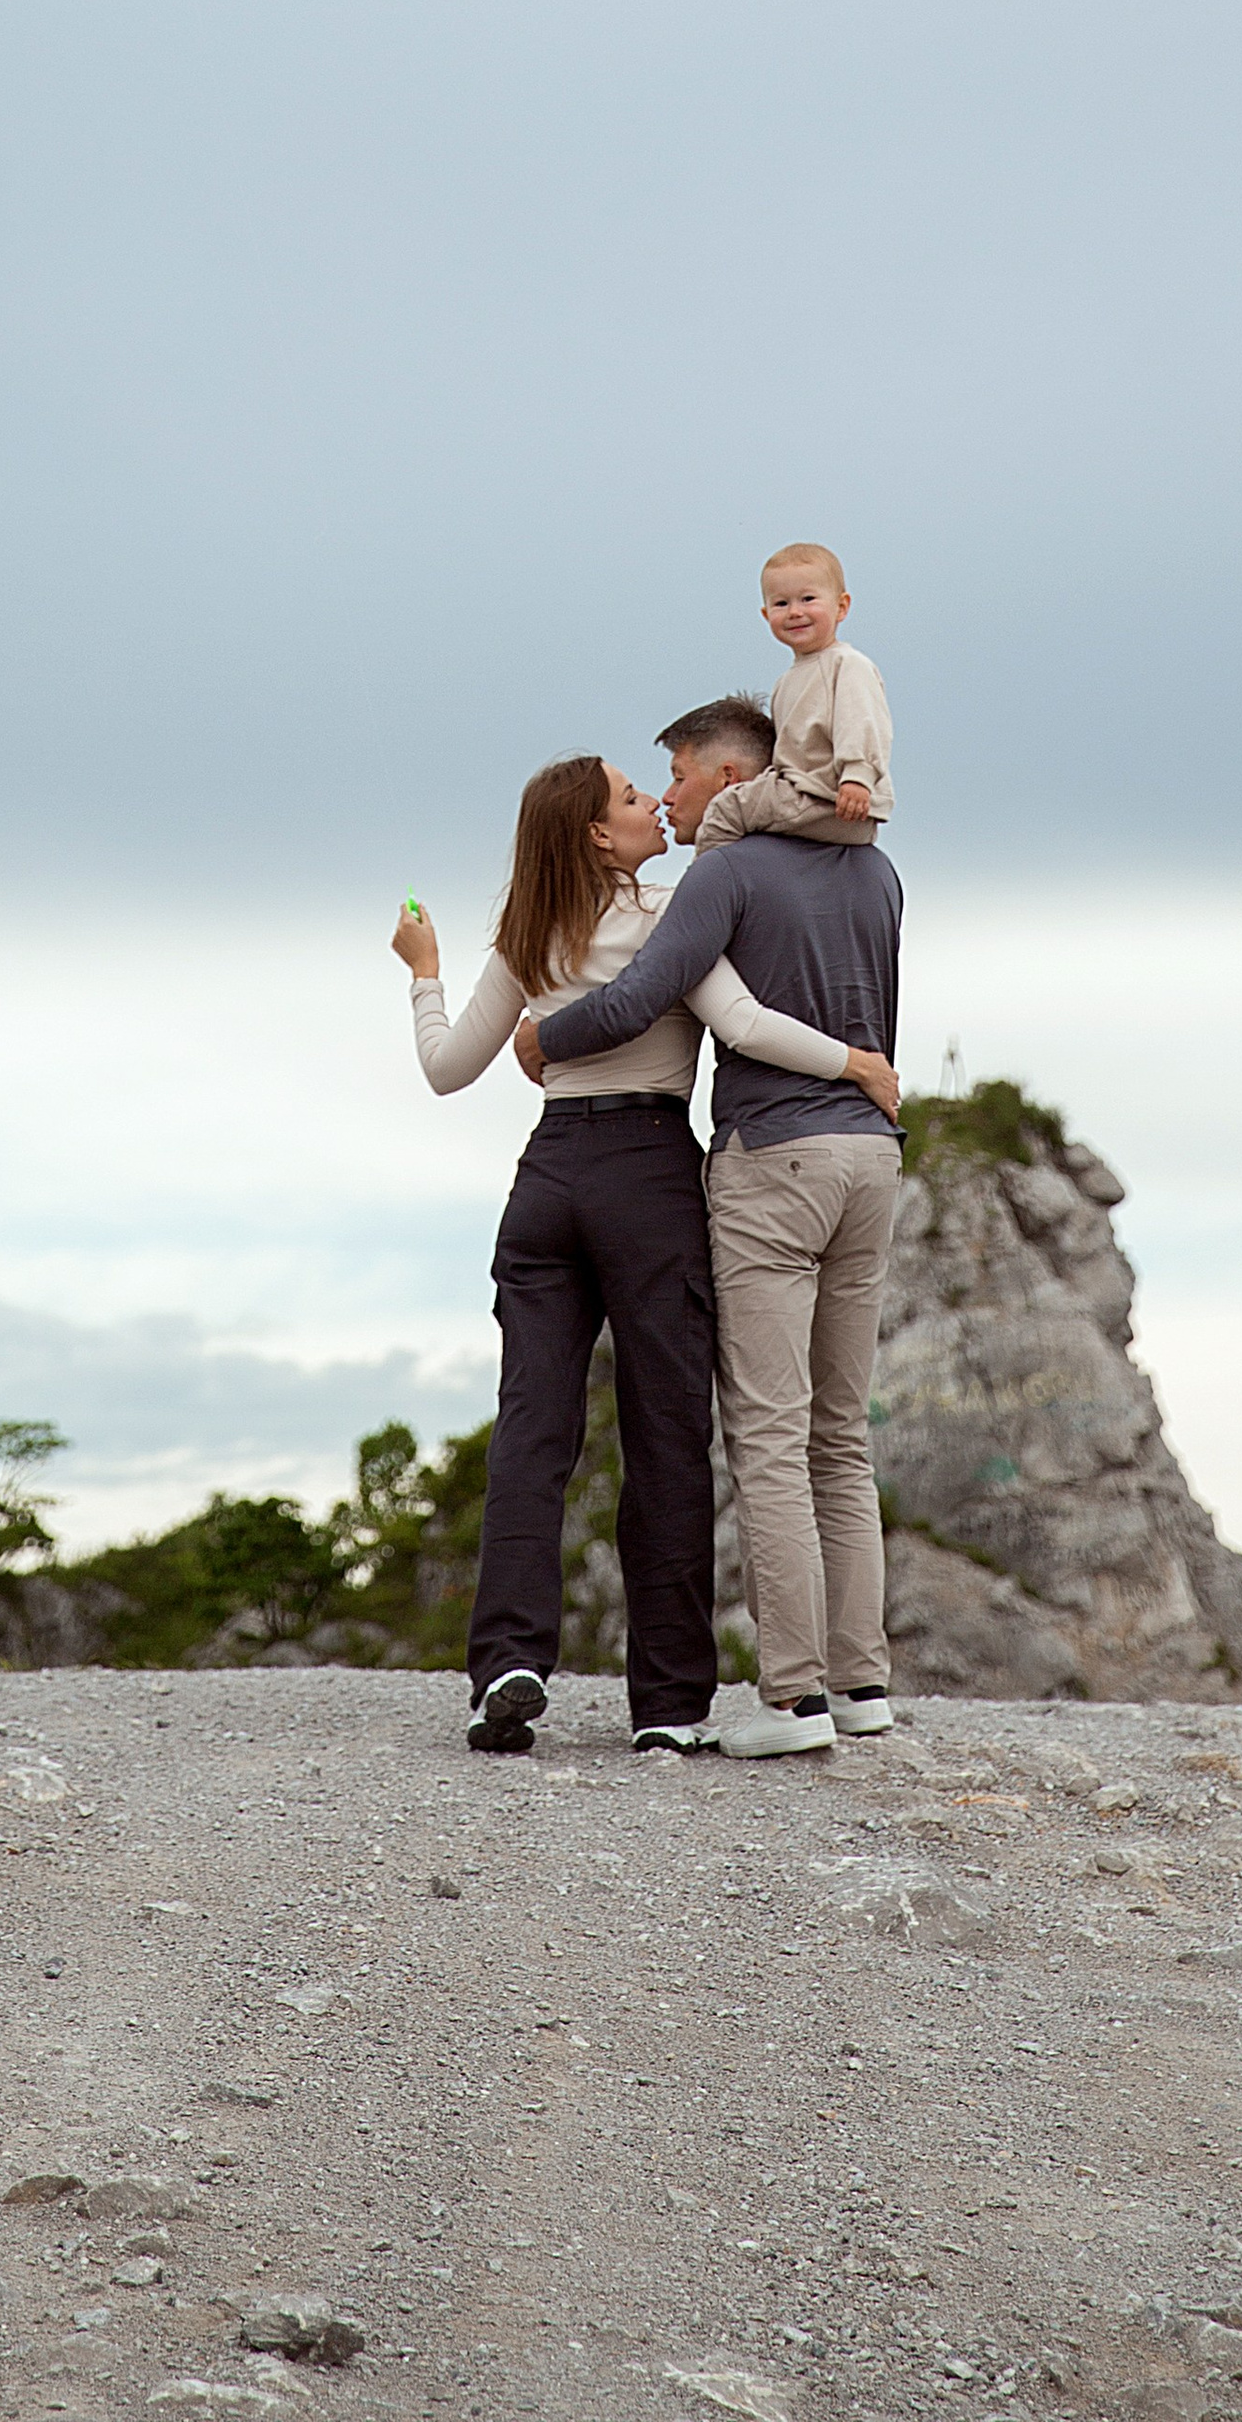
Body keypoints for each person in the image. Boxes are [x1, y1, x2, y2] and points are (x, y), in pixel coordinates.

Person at [393, 752, 899, 1760]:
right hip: (649, 1179)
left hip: (547, 1181)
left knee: (533, 1425)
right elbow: (744, 1022)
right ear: (595, 832)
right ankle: (667, 1701)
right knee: (665, 1437)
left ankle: (504, 1663)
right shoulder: (676, 911)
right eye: (632, 797)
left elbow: (447, 1071)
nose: (650, 804)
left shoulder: (523, 934)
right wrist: (852, 1061)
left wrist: (424, 974)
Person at [693, 541, 894, 852]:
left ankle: (706, 892)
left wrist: (857, 777)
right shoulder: (787, 681)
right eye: (781, 603)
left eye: (808, 599)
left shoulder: (847, 664)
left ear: (841, 606)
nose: (795, 612)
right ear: (765, 613)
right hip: (806, 795)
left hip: (833, 799)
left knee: (726, 810)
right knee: (750, 809)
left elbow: (862, 723)